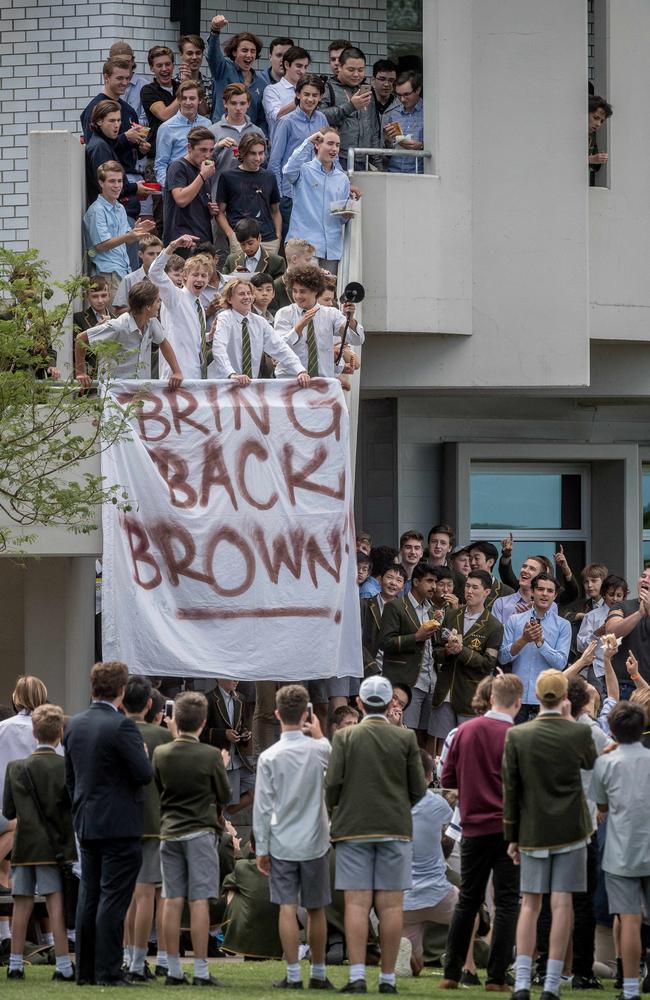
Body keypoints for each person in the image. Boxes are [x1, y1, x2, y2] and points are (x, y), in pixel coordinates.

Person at [325, 675, 427, 994]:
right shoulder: (405, 738)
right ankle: (387, 978)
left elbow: (332, 787)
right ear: (389, 703)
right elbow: (418, 789)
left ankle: (357, 976)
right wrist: (398, 806)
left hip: (354, 827)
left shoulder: (346, 738)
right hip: (394, 827)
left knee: (356, 904)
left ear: (359, 703)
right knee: (391, 906)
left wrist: (341, 807)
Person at [502, 670, 596, 1000]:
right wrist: (571, 720)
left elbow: (511, 791)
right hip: (572, 829)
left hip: (532, 828)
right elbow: (591, 764)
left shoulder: (518, 735)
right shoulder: (578, 734)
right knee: (561, 905)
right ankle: (552, 984)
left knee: (530, 905)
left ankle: (524, 982)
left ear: (538, 696)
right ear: (565, 699)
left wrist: (511, 835)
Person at [63, 661, 154, 987]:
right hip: (118, 823)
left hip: (87, 821)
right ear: (121, 690)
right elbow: (143, 774)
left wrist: (79, 810)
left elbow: (70, 778)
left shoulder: (74, 724)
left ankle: (85, 970)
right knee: (113, 899)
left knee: (89, 897)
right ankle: (108, 971)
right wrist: (142, 753)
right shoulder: (122, 727)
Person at [439, 673, 523, 991]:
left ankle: (451, 971)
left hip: (472, 826)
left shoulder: (464, 731)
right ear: (517, 701)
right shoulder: (516, 735)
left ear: (490, 698)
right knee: (506, 903)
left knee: (468, 900)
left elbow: (447, 779)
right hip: (506, 827)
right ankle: (497, 975)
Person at [253, 685, 334, 990]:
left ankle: (293, 974)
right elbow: (335, 765)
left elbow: (262, 807)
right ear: (306, 714)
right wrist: (321, 736)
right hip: (315, 839)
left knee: (286, 906)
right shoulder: (321, 749)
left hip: (282, 840)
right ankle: (318, 972)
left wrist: (261, 847)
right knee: (316, 908)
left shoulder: (269, 756)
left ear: (276, 714)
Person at [153, 691, 231, 987]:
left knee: (171, 900)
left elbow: (158, 787)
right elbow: (225, 795)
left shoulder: (162, 753)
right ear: (202, 722)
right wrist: (220, 767)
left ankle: (173, 969)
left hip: (170, 831)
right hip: (200, 831)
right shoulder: (210, 755)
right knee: (200, 901)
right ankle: (200, 970)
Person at [3, 704, 76, 982]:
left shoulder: (15, 768)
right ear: (60, 732)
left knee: (20, 906)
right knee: (55, 906)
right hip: (54, 847)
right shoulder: (65, 767)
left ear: (34, 732)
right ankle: (62, 965)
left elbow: (9, 812)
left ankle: (15, 964)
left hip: (23, 847)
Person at [591, 700, 650, 1000]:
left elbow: (600, 806)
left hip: (621, 848)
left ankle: (629, 989)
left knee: (628, 919)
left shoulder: (605, 762)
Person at [120, 675, 173, 983]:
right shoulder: (162, 737)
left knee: (130, 896)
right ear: (151, 704)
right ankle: (149, 959)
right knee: (155, 896)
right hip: (156, 821)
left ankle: (131, 955)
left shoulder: (114, 732)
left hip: (123, 822)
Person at [429, 569, 504, 743]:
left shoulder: (494, 626)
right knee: (441, 745)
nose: (469, 591)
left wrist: (462, 651)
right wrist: (448, 651)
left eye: (475, 587)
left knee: (468, 745)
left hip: (470, 695)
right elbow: (436, 652)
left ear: (486, 592)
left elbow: (488, 664)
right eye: (467, 586)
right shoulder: (451, 616)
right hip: (444, 692)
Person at [402, 749, 457, 976]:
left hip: (404, 898)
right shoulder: (438, 804)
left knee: (416, 963)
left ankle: (407, 953)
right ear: (428, 776)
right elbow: (448, 846)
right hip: (438, 892)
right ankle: (465, 961)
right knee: (473, 915)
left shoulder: (395, 803)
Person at [75, 279, 183, 388]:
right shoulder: (118, 326)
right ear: (148, 307)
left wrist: (177, 371)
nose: (160, 304)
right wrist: (80, 373)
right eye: (158, 301)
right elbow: (81, 338)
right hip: (114, 392)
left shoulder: (152, 321)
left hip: (140, 391)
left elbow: (163, 342)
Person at [498, 572, 572, 722]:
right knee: (516, 743)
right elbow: (503, 658)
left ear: (555, 595)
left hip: (547, 699)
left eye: (550, 591)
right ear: (532, 592)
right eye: (540, 589)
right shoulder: (515, 620)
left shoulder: (563, 625)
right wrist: (523, 640)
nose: (545, 594)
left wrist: (540, 642)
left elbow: (561, 663)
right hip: (517, 698)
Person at [379, 562, 439, 742]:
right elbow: (385, 642)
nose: (434, 586)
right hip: (407, 683)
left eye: (435, 581)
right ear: (415, 582)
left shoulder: (432, 610)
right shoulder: (396, 606)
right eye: (429, 581)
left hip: (430, 682)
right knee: (404, 734)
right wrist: (416, 637)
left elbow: (431, 647)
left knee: (425, 736)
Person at [208, 276, 309, 383]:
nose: (247, 297)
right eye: (242, 294)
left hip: (249, 384)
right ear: (229, 299)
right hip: (223, 383)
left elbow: (280, 347)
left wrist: (300, 370)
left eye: (249, 293)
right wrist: (231, 374)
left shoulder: (260, 322)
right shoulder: (224, 318)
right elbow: (219, 349)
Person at [283, 127, 354, 275]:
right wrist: (308, 142)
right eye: (330, 143)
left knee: (325, 295)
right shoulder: (303, 170)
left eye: (337, 145)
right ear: (317, 144)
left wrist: (345, 216)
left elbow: (340, 216)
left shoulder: (342, 178)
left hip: (331, 248)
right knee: (303, 292)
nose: (334, 148)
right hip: (304, 246)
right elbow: (288, 171)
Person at [273, 263, 364, 377]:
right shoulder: (284, 313)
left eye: (302, 291)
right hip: (290, 380)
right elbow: (278, 348)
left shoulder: (331, 314)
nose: (297, 296)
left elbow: (357, 340)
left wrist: (350, 320)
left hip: (322, 382)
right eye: (294, 291)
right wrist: (299, 327)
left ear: (315, 291)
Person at [269, 74, 328, 239]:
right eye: (306, 94)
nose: (310, 99)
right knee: (292, 242)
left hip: (315, 191)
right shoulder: (287, 121)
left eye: (315, 95)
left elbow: (330, 153)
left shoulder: (322, 119)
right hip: (290, 193)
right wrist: (279, 195)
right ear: (298, 94)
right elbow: (275, 161)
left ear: (320, 97)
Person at [83, 160, 155, 290]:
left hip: (123, 270)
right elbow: (101, 245)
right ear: (101, 183)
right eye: (112, 181)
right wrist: (129, 236)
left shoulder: (120, 207)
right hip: (106, 274)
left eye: (120, 181)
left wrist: (136, 234)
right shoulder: (97, 210)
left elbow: (126, 240)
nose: (117, 185)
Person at [148, 234, 212, 379]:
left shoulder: (198, 305)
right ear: (184, 276)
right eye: (195, 275)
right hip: (176, 375)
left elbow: (190, 336)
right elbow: (154, 273)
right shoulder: (175, 296)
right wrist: (172, 246)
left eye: (204, 275)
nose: (200, 279)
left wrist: (208, 336)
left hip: (195, 372)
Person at [216, 133, 282, 255]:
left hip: (269, 240)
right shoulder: (227, 177)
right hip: (241, 240)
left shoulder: (270, 176)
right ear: (243, 153)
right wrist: (231, 235)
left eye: (261, 153)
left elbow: (275, 211)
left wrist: (278, 236)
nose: (258, 158)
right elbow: (220, 212)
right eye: (253, 153)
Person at [84, 99, 148, 220]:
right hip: (113, 217)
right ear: (99, 121)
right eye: (112, 120)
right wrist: (135, 188)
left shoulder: (104, 144)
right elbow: (109, 187)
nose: (117, 125)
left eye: (118, 120)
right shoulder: (100, 147)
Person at [321, 47, 380, 171]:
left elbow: (373, 128)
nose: (356, 74)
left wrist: (378, 163)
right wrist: (350, 107)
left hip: (364, 158)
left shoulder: (368, 91)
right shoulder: (327, 88)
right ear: (339, 67)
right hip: (337, 158)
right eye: (351, 70)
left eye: (361, 70)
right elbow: (320, 117)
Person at [203, 679, 255, 818]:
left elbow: (241, 724)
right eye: (232, 677)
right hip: (223, 759)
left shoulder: (240, 698)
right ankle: (221, 823)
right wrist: (224, 734)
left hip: (238, 758)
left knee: (257, 789)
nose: (236, 680)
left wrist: (245, 733)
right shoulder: (208, 699)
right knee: (225, 801)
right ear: (220, 678)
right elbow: (201, 731)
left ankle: (222, 819)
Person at [207, 15, 267, 128]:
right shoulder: (223, 69)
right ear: (234, 52)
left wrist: (263, 137)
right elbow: (212, 55)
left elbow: (261, 118)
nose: (249, 55)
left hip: (249, 138)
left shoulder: (261, 82)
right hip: (223, 133)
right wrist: (215, 31)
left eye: (253, 51)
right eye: (244, 50)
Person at [162, 126, 218, 245]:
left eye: (211, 150)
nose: (208, 155)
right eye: (203, 150)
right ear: (189, 148)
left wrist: (211, 210)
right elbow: (181, 199)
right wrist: (202, 176)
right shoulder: (178, 167)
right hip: (181, 240)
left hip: (203, 239)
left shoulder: (204, 172)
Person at [154, 79, 212, 187]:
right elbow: (160, 165)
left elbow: (209, 158)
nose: (188, 102)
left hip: (201, 185)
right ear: (179, 100)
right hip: (177, 184)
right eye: (184, 98)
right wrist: (170, 187)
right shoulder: (166, 128)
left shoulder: (207, 125)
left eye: (192, 98)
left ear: (200, 100)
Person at [604, 567, 650, 686]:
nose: (645, 580)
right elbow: (611, 631)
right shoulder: (621, 606)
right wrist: (639, 614)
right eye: (643, 576)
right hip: (624, 685)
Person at [208, 82, 266, 176]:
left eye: (242, 103)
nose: (238, 108)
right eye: (233, 103)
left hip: (251, 187)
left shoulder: (257, 132)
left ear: (248, 104)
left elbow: (264, 162)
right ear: (225, 103)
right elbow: (203, 163)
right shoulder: (212, 131)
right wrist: (217, 148)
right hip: (221, 188)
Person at [360, 563, 407, 676]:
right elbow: (357, 641)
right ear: (380, 580)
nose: (393, 583)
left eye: (399, 580)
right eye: (389, 577)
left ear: (403, 587)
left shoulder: (406, 611)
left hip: (395, 671)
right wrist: (371, 667)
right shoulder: (365, 605)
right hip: (368, 669)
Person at [262, 45, 311, 140]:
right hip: (282, 146)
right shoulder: (272, 90)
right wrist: (298, 101)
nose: (303, 71)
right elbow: (276, 116)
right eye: (299, 66)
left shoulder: (307, 91)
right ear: (287, 65)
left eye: (305, 67)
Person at [382, 71, 425, 174]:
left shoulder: (429, 113)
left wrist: (421, 146)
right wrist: (388, 140)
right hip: (394, 171)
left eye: (406, 94)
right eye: (399, 95)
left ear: (418, 90)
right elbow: (388, 150)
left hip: (419, 173)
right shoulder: (394, 114)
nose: (402, 99)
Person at [141, 46, 180, 155]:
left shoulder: (180, 86)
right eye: (159, 65)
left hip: (182, 150)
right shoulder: (148, 90)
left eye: (167, 64)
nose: (164, 69)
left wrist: (191, 84)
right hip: (159, 153)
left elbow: (203, 110)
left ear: (173, 65)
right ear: (151, 68)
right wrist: (184, 92)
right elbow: (164, 115)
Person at [112, 234, 163, 315]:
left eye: (159, 254)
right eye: (151, 254)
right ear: (140, 254)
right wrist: (140, 308)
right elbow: (118, 311)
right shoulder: (129, 279)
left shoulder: (168, 278)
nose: (156, 257)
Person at [491, 554, 546, 626]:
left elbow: (550, 634)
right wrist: (515, 619)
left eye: (532, 569)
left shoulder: (549, 605)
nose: (525, 570)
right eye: (524, 566)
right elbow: (496, 635)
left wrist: (531, 617)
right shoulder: (501, 603)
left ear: (540, 577)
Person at [271, 238, 316, 312]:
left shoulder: (315, 282)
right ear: (294, 259)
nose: (311, 264)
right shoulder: (276, 287)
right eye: (307, 260)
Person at [466, 541, 514, 608]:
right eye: (470, 559)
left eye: (476, 558)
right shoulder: (463, 586)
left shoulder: (506, 592)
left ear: (490, 562)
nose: (472, 563)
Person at [176, 34, 212, 116]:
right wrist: (185, 83)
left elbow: (204, 112)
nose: (194, 57)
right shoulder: (174, 82)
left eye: (198, 53)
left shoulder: (209, 83)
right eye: (190, 53)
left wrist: (191, 83)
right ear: (181, 55)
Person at [588, 95, 613, 184]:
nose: (598, 124)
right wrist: (591, 159)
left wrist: (597, 159)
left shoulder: (592, 136)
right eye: (595, 118)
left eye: (602, 121)